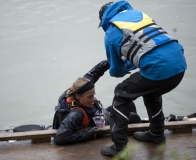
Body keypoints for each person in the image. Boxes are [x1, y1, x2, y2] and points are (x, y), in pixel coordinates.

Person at [97, 0, 187, 157]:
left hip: (159, 68)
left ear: (104, 18)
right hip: (179, 64)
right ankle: (157, 134)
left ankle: (120, 147)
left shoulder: (111, 33)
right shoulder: (139, 15)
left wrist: (122, 68)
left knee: (121, 93)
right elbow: (149, 47)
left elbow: (117, 71)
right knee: (151, 90)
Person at [52, 60, 142, 145]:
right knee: (134, 117)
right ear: (78, 96)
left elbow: (98, 70)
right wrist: (89, 135)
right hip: (102, 124)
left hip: (100, 115)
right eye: (89, 97)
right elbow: (60, 138)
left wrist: (116, 61)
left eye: (93, 95)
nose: (93, 99)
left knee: (129, 104)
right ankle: (135, 141)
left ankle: (129, 132)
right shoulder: (76, 114)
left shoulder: (77, 89)